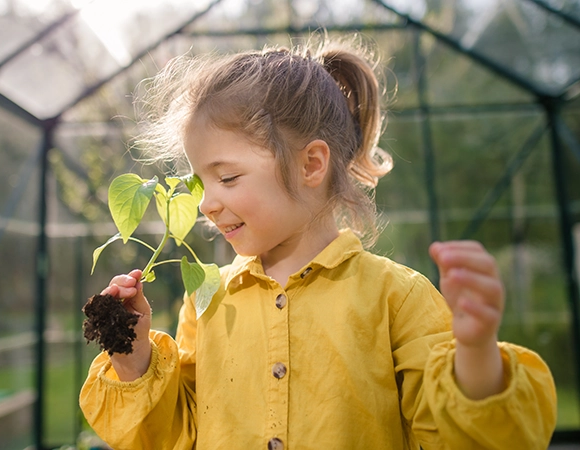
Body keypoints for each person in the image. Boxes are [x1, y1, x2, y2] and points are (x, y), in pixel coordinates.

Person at [80, 35, 557, 450]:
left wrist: (475, 355)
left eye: (227, 177)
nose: (205, 204)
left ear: (311, 164)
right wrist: (133, 355)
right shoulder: (207, 300)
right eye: (203, 183)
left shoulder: (395, 298)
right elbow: (175, 436)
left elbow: (458, 438)